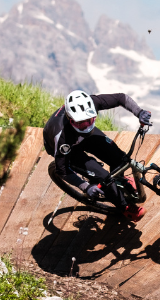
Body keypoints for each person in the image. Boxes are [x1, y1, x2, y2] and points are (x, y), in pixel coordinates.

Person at [43, 89, 152, 221]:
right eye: (81, 123)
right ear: (71, 119)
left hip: (84, 137)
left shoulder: (91, 103)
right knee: (104, 177)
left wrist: (139, 112)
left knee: (119, 159)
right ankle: (125, 208)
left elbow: (121, 98)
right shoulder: (61, 137)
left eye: (90, 120)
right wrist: (85, 187)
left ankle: (119, 182)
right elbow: (62, 170)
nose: (86, 125)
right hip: (69, 147)